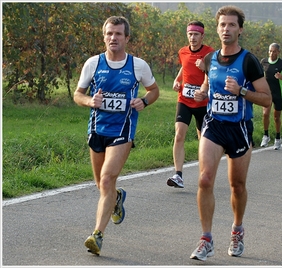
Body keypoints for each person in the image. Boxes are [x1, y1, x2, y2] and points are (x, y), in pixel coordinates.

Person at [190, 5, 271, 261]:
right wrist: (203, 92)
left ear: (240, 30)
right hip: (214, 125)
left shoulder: (249, 60)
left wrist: (242, 92)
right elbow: (208, 82)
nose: (226, 29)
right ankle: (206, 239)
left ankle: (237, 230)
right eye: (222, 25)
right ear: (217, 29)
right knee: (204, 180)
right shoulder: (210, 58)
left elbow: (267, 99)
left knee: (237, 186)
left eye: (232, 25)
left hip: (239, 129)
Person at [74, 16, 160, 255]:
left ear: (127, 38)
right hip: (97, 129)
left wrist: (143, 101)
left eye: (118, 34)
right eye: (109, 33)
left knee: (108, 178)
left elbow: (154, 91)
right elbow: (77, 94)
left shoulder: (138, 65)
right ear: (104, 36)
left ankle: (97, 235)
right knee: (101, 184)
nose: (113, 38)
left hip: (122, 131)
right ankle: (116, 198)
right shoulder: (93, 64)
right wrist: (90, 100)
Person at [167, 21, 214, 188]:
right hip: (184, 100)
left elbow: (215, 75)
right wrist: (177, 80)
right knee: (179, 134)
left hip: (202, 102)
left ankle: (205, 172)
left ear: (202, 36)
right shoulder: (183, 51)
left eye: (196, 34)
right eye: (190, 34)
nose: (192, 37)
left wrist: (204, 68)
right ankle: (178, 175)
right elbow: (184, 67)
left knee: (203, 139)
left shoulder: (210, 54)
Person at [259, 43, 282, 149]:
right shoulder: (263, 62)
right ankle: (266, 136)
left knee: (276, 117)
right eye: (270, 51)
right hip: (267, 93)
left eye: (274, 51)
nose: (272, 53)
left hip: (278, 93)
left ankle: (278, 138)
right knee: (265, 114)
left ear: (278, 52)